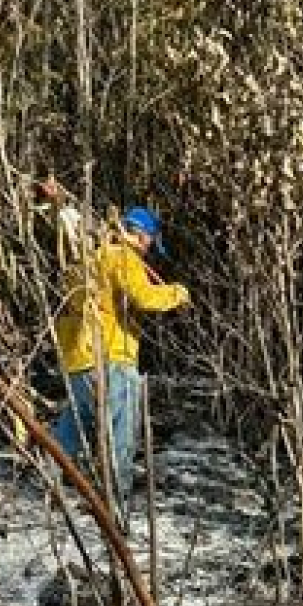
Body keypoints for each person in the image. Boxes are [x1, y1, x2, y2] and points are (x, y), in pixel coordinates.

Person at [52, 203, 189, 519]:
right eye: (150, 243)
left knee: (73, 428)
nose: (149, 250)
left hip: (77, 358)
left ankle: (51, 484)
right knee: (121, 434)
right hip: (112, 357)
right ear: (143, 237)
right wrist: (178, 294)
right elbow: (144, 297)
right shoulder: (123, 257)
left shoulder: (89, 257)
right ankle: (116, 507)